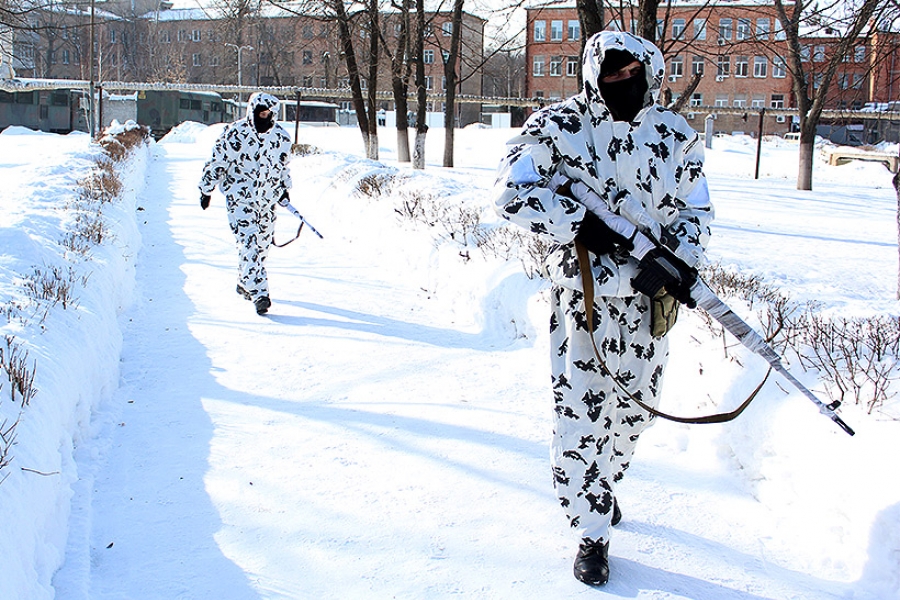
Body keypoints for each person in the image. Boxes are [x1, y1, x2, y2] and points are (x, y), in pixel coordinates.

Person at [492, 31, 714, 586]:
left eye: (630, 71)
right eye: (610, 72)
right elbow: (509, 193)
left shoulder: (675, 135)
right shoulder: (558, 127)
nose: (621, 81)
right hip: (584, 303)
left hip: (648, 303)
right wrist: (582, 225)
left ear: (649, 70)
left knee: (634, 416)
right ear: (594, 74)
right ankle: (592, 530)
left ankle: (604, 483)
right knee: (581, 419)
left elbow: (696, 210)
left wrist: (679, 261)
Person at [199, 92, 294, 315]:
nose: (265, 117)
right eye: (261, 113)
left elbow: (283, 167)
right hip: (240, 200)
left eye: (269, 114)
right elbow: (217, 162)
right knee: (249, 242)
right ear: (252, 112)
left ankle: (244, 282)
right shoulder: (235, 133)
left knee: (261, 246)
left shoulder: (281, 137)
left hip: (267, 201)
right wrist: (206, 189)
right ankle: (260, 292)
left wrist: (284, 190)